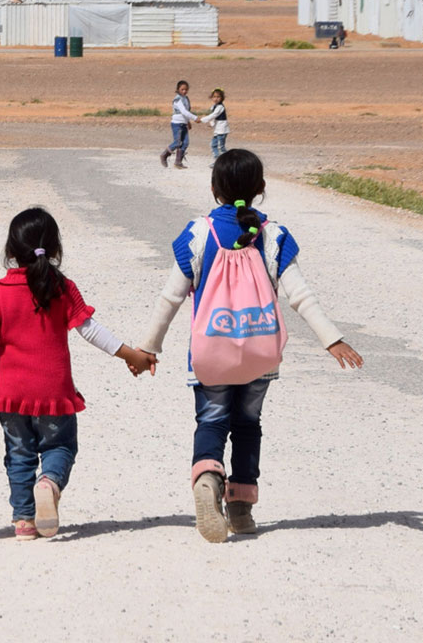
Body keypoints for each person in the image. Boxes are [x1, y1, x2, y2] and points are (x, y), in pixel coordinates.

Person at [137, 148, 365, 543]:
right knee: (248, 426)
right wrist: (332, 339)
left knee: (211, 420)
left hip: (211, 354)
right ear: (260, 189)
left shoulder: (198, 233)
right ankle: (240, 509)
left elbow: (170, 297)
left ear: (214, 189)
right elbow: (300, 295)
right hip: (260, 355)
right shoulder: (274, 235)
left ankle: (207, 478)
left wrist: (149, 347)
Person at [0, 207, 157, 541]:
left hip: (12, 395)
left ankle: (24, 521)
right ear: (54, 250)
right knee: (60, 446)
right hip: (53, 392)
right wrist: (132, 355)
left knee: (19, 454)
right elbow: (92, 331)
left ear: (11, 251)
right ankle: (49, 482)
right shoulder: (63, 288)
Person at [159, 80, 198, 169]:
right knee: (177, 142)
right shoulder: (177, 99)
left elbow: (187, 111)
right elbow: (183, 111)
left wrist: (188, 122)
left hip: (184, 124)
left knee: (185, 143)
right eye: (182, 89)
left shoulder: (186, 99)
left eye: (186, 89)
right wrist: (195, 118)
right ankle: (164, 155)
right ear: (178, 89)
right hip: (177, 124)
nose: (184, 91)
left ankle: (178, 162)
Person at [199, 88, 229, 160]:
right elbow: (212, 117)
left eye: (218, 97)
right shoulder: (213, 107)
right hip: (217, 130)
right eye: (214, 97)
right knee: (213, 145)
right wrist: (212, 124)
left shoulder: (220, 107)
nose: (216, 99)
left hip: (222, 130)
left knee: (220, 147)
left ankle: (229, 159)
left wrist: (201, 120)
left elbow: (213, 115)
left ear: (222, 98)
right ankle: (217, 160)